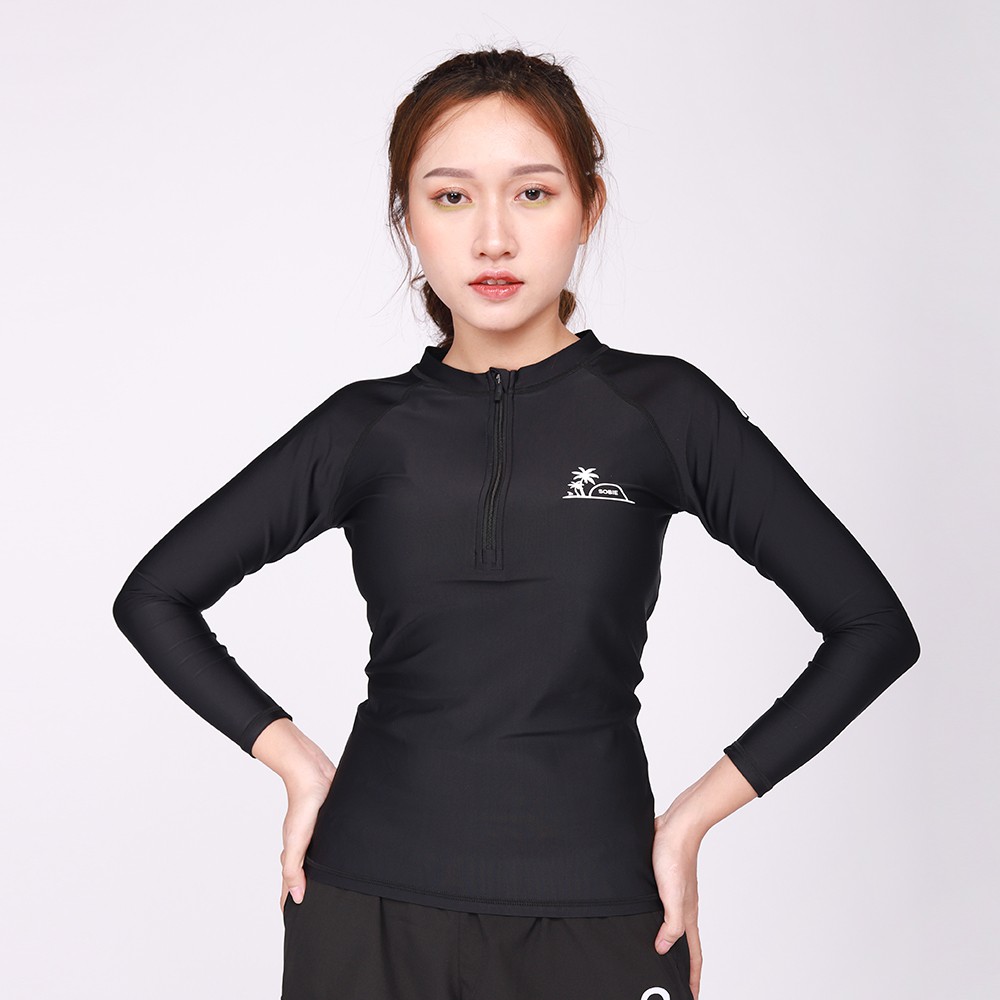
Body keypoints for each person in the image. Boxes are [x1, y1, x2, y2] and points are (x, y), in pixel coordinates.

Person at [112, 47, 920, 1000]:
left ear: (589, 207)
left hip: (600, 906)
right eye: (451, 198)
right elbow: (154, 596)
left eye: (533, 194)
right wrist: (293, 760)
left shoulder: (663, 410)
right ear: (407, 219)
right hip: (366, 908)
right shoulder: (365, 427)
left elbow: (872, 629)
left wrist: (691, 820)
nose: (493, 238)